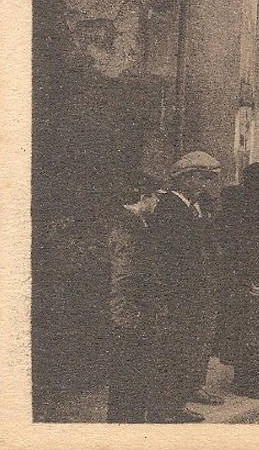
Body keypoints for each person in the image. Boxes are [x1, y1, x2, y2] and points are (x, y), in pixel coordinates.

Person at [146, 151, 222, 423]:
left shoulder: (195, 206)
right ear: (186, 179)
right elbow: (172, 257)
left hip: (197, 288)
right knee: (176, 349)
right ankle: (168, 407)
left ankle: (187, 391)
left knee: (194, 345)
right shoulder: (170, 209)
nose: (206, 185)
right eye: (202, 179)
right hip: (180, 292)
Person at [217, 163, 259, 400]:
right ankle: (248, 381)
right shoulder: (252, 214)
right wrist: (254, 279)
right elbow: (248, 250)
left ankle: (253, 376)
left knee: (258, 329)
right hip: (253, 279)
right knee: (251, 330)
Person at [106, 173, 161, 423]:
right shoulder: (128, 228)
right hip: (130, 317)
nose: (157, 204)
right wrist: (129, 319)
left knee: (134, 378)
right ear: (143, 198)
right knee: (129, 377)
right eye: (155, 197)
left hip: (134, 313)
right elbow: (123, 276)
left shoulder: (134, 223)